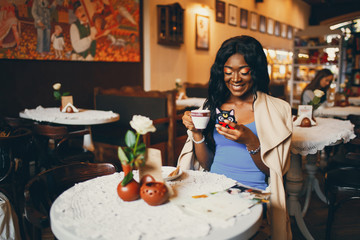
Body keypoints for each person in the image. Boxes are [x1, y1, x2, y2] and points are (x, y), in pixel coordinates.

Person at [178, 35, 293, 239]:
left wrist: (251, 141)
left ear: (255, 70)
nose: (236, 79)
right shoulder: (211, 106)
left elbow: (275, 171)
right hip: (213, 186)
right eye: (228, 71)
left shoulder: (276, 109)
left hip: (250, 193)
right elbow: (208, 162)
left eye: (244, 71)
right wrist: (196, 133)